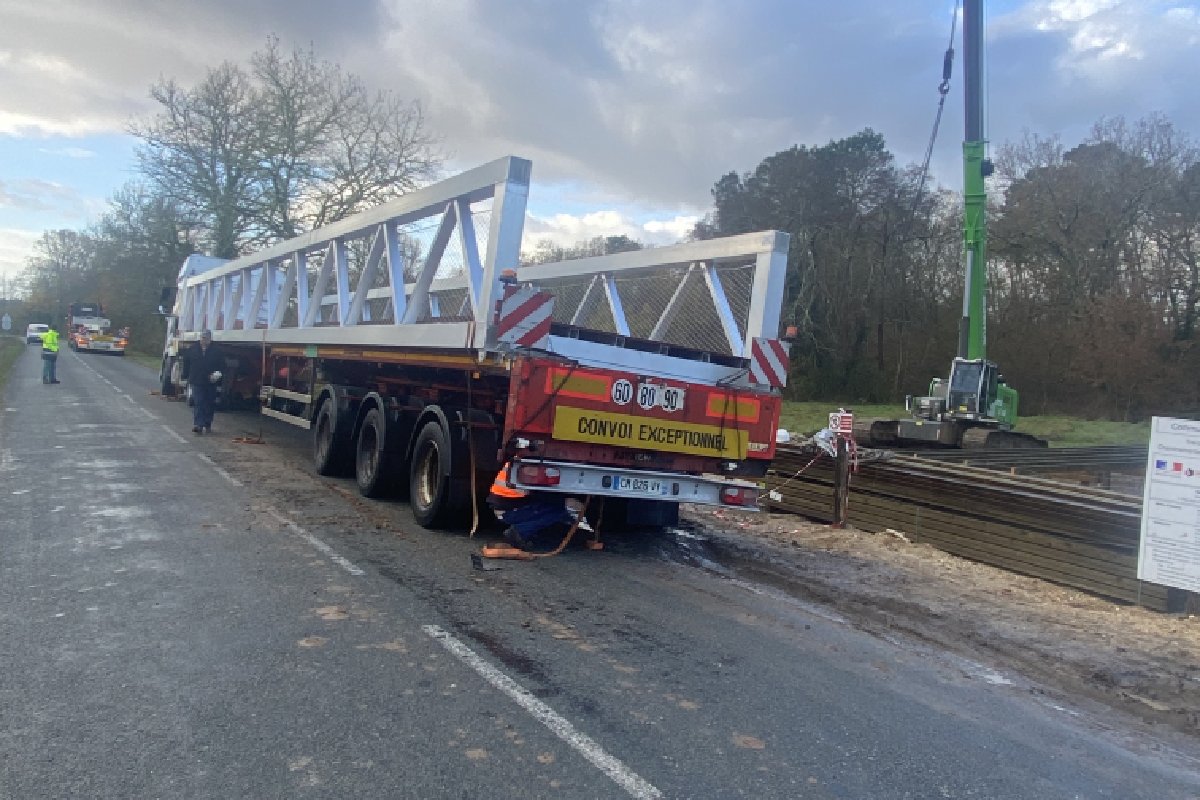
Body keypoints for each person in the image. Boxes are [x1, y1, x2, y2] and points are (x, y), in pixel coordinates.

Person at [487, 462, 576, 550]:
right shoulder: (531, 469)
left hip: (504, 508)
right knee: (558, 511)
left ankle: (529, 530)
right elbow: (540, 495)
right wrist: (566, 502)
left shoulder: (520, 462)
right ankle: (519, 531)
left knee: (554, 508)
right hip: (508, 511)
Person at [181, 330, 224, 434]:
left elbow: (222, 366)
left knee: (209, 403)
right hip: (197, 380)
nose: (204, 340)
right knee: (198, 402)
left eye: (206, 338)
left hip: (211, 382)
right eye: (202, 338)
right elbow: (186, 362)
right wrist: (185, 375)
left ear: (210, 339)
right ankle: (198, 425)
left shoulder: (216, 351)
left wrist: (217, 375)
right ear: (200, 338)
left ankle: (207, 423)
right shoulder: (193, 349)